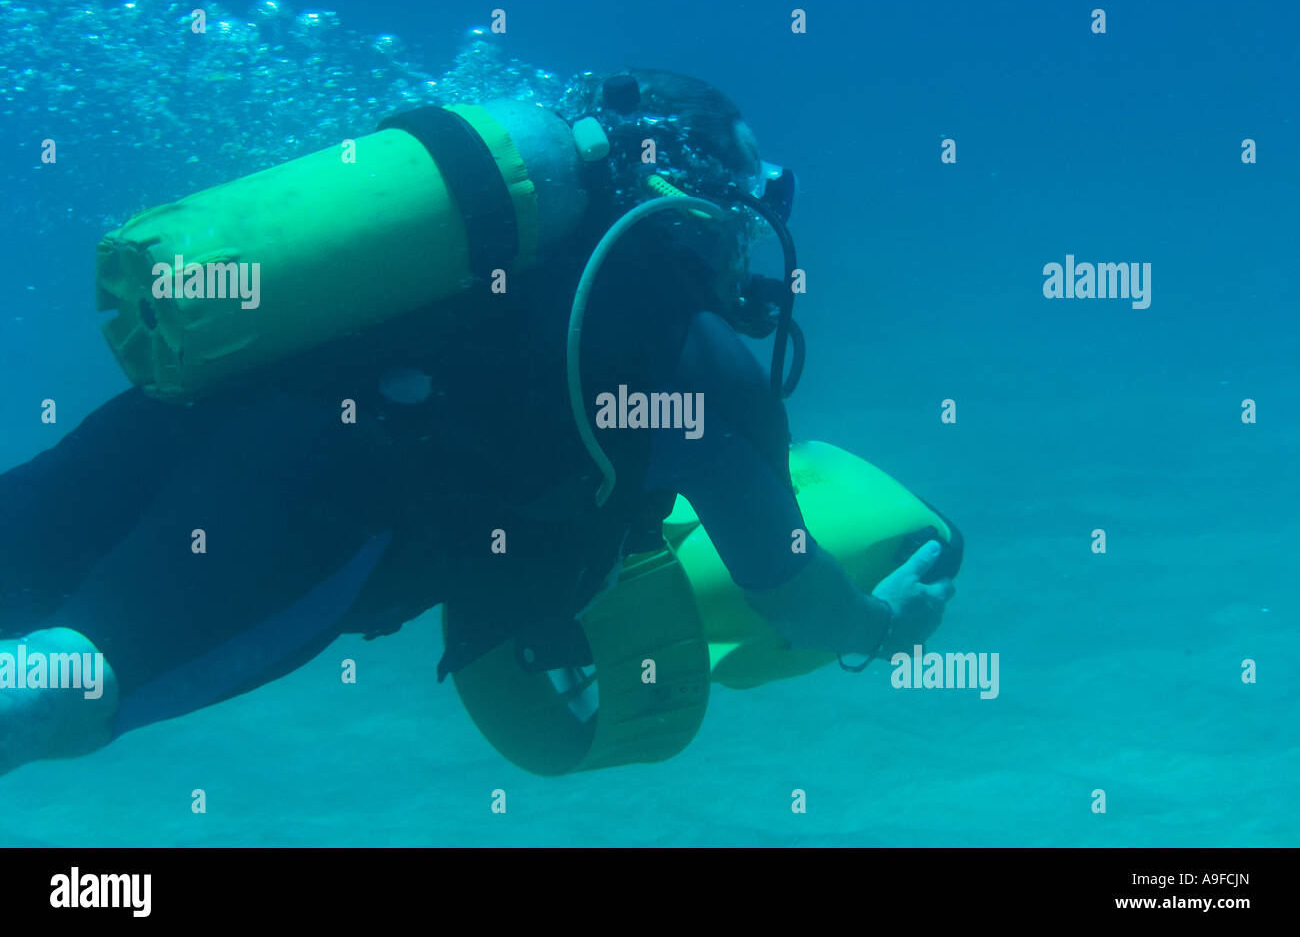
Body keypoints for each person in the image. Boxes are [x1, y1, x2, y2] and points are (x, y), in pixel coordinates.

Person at [0, 69, 955, 777]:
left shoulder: (476, 238)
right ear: (715, 195)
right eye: (753, 203)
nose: (748, 233)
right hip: (327, 508)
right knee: (65, 689)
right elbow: (788, 591)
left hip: (188, 412)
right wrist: (881, 625)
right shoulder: (694, 348)